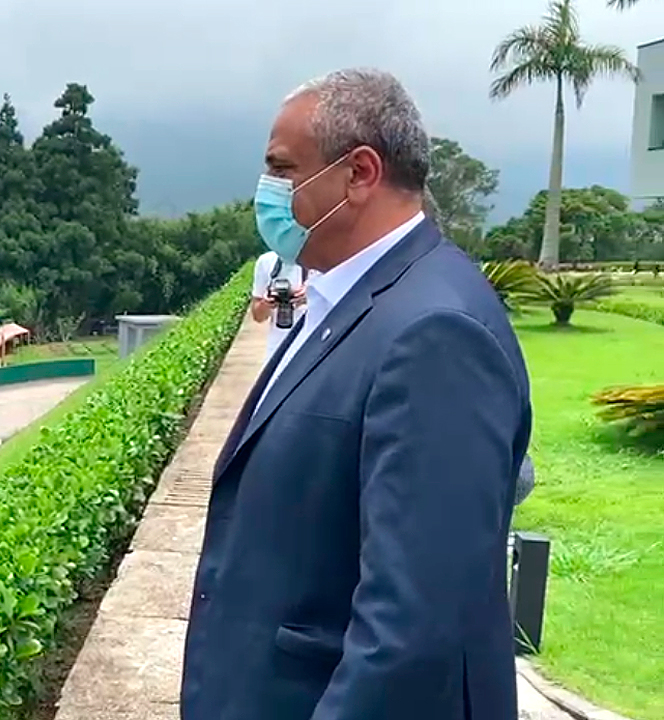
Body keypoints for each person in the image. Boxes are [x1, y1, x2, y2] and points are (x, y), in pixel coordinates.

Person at [182, 68, 532, 720]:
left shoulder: (435, 333)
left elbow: (413, 630)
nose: (268, 193)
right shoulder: (350, 302)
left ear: (360, 173)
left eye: (283, 170)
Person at [250, 250, 312, 363]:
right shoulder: (266, 262)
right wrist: (267, 303)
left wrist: (311, 295)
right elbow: (257, 316)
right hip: (279, 349)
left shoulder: (324, 258)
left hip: (314, 345)